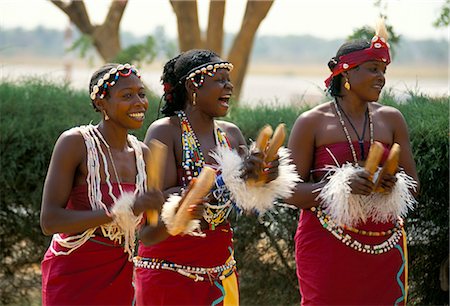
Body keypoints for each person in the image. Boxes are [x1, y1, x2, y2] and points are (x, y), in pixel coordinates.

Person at [134, 49, 299, 305]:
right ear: (193, 86)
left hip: (221, 274)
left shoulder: (231, 134)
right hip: (168, 273)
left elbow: (249, 206)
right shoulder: (165, 131)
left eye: (229, 80)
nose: (229, 86)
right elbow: (156, 207)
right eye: (220, 80)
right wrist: (223, 183)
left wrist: (264, 178)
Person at [285, 22, 419, 305]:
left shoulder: (392, 118)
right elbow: (289, 192)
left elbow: (414, 187)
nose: (381, 77)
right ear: (346, 72)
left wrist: (392, 186)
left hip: (385, 247)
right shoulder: (312, 122)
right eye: (373, 69)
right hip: (326, 249)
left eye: (383, 71)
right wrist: (340, 186)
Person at [40, 63, 165, 305]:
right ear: (101, 103)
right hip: (73, 274)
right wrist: (120, 212)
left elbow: (149, 235)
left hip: (120, 275)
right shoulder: (75, 143)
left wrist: (182, 213)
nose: (140, 102)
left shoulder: (144, 154)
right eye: (127, 96)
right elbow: (50, 220)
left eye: (141, 93)